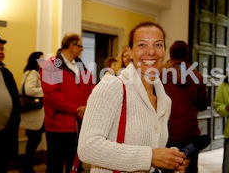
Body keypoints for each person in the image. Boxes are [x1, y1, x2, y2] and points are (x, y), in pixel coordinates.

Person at [78, 21, 189, 173]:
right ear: (130, 51)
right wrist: (150, 157)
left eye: (158, 45)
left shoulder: (164, 100)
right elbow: (87, 147)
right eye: (142, 45)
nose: (151, 52)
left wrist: (170, 160)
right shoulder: (112, 87)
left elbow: (152, 147)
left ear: (164, 50)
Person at [40, 33, 95, 173]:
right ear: (71, 46)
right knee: (55, 164)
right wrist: (77, 109)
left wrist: (88, 106)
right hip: (58, 126)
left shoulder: (81, 66)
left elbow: (92, 88)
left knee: (76, 164)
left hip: (79, 125)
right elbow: (53, 95)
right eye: (80, 46)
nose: (82, 49)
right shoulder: (51, 65)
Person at [162, 40, 209, 173]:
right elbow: (203, 104)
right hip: (190, 131)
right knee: (190, 168)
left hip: (167, 131)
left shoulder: (160, 73)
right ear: (187, 55)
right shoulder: (197, 76)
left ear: (170, 54)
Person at [0, 34, 21, 173]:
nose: (1, 52)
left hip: (3, 135)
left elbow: (15, 103)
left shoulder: (6, 74)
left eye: (2, 49)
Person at [19, 51, 45, 173]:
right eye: (41, 59)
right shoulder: (34, 73)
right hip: (34, 114)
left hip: (30, 114)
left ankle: (26, 165)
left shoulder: (28, 72)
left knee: (33, 141)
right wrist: (44, 89)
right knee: (34, 141)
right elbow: (29, 90)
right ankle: (26, 166)